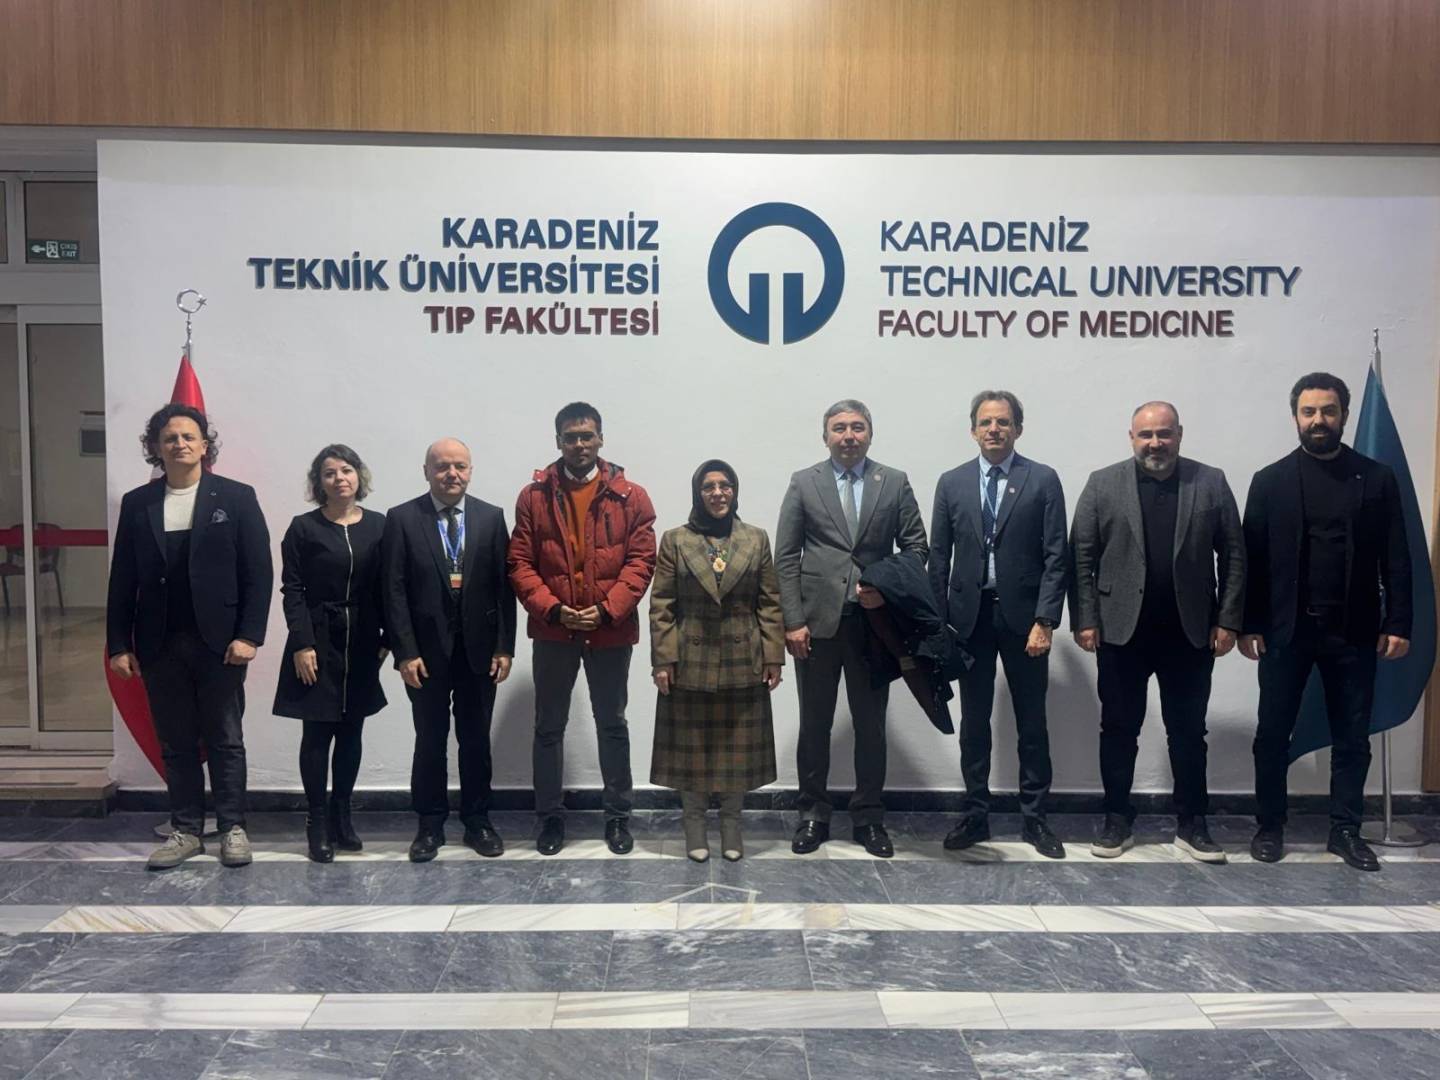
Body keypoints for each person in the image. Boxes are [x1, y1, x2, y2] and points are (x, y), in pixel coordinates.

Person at [1241, 372, 1411, 872]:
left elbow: (1396, 557)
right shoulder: (1269, 481)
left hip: (1354, 632)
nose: (1319, 420)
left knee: (1353, 738)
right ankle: (1269, 826)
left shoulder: (1376, 478)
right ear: (1295, 416)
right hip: (1285, 631)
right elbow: (1251, 560)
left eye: (1328, 411)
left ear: (1345, 415)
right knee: (1272, 734)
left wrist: (1398, 622)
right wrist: (1248, 623)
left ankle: (1345, 830)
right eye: (1309, 411)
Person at [1070, 402, 1245, 862]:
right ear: (1131, 437)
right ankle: (1116, 819)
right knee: (1118, 729)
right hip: (1120, 632)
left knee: (1188, 732)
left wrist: (1228, 620)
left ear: (1179, 435)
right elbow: (1081, 556)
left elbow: (1234, 554)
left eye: (1164, 434)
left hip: (1189, 633)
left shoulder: (1210, 482)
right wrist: (1085, 619)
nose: (1155, 443)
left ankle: (1193, 824)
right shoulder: (1102, 483)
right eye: (1146, 435)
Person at [106, 404, 272, 870]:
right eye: (169, 438)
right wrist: (119, 644)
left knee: (225, 738)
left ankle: (233, 827)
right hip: (159, 644)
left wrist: (249, 635)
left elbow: (258, 572)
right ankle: (186, 830)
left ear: (204, 445)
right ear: (156, 449)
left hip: (221, 644)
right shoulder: (138, 503)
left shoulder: (236, 497)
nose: (179, 444)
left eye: (188, 436)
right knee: (176, 743)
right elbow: (123, 579)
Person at [776, 399, 927, 858]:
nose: (848, 435)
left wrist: (886, 587)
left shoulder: (893, 482)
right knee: (814, 725)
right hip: (816, 626)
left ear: (870, 434)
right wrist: (793, 621)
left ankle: (869, 817)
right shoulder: (804, 482)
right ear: (825, 436)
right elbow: (786, 557)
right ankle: (813, 814)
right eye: (839, 428)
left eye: (857, 427)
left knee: (871, 725)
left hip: (873, 626)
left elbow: (917, 548)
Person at [509, 402, 657, 856]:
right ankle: (550, 818)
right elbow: (519, 562)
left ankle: (618, 817)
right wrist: (554, 610)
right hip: (554, 630)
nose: (579, 444)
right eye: (570, 437)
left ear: (600, 439)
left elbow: (641, 560)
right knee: (548, 726)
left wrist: (607, 610)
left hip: (609, 630)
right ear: (558, 441)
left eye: (587, 436)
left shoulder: (631, 496)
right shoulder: (533, 497)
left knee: (612, 724)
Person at [928, 390, 1068, 858]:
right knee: (974, 722)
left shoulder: (1042, 479)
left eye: (1003, 422)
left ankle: (1035, 818)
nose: (994, 429)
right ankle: (975, 814)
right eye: (986, 422)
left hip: (1025, 621)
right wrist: (939, 625)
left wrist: (1046, 619)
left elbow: (1057, 556)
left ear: (1017, 429)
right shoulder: (952, 482)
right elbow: (938, 558)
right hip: (968, 621)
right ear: (973, 430)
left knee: (1032, 721)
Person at [381, 438, 516, 863]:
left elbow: (504, 588)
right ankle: (429, 824)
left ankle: (478, 821)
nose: (451, 474)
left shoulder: (491, 518)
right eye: (442, 466)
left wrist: (504, 647)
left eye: (460, 466)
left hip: (480, 653)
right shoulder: (403, 518)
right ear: (426, 471)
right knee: (430, 740)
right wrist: (405, 652)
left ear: (471, 471)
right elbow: (393, 591)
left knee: (475, 740)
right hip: (424, 656)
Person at [650, 460, 784, 861]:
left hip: (744, 659)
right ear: (698, 493)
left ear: (735, 491)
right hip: (689, 660)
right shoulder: (675, 540)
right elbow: (662, 605)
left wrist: (773, 655)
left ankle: (731, 827)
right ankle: (694, 826)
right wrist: (663, 660)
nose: (717, 493)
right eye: (708, 487)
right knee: (690, 750)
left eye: (725, 485)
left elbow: (770, 602)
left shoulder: (756, 538)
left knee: (735, 753)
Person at [273, 444, 388, 863]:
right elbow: (293, 590)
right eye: (329, 473)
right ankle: (317, 821)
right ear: (318, 483)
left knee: (352, 732)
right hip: (317, 639)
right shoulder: (303, 528)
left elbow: (389, 586)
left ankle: (342, 815)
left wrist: (388, 640)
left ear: (359, 476)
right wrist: (302, 643)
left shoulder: (380, 526)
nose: (339, 478)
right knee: (318, 733)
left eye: (346, 470)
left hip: (362, 639)